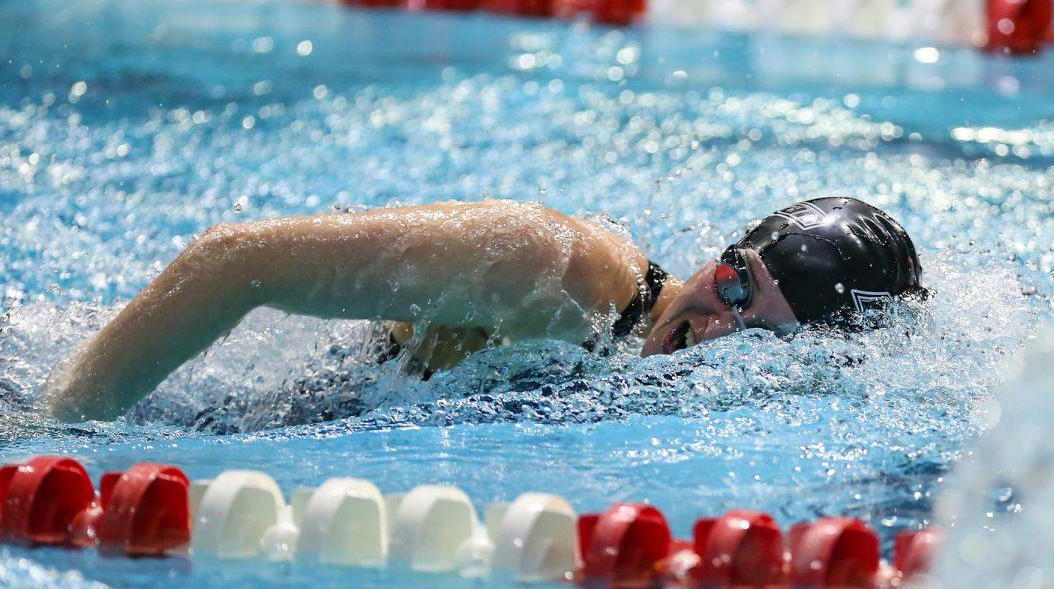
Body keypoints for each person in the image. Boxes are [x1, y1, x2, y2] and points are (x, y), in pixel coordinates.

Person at [45, 196, 924, 422]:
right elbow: (232, 261)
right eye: (734, 281)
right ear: (719, 256)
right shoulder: (547, 267)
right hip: (196, 417)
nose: (717, 322)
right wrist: (58, 426)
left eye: (760, 327)